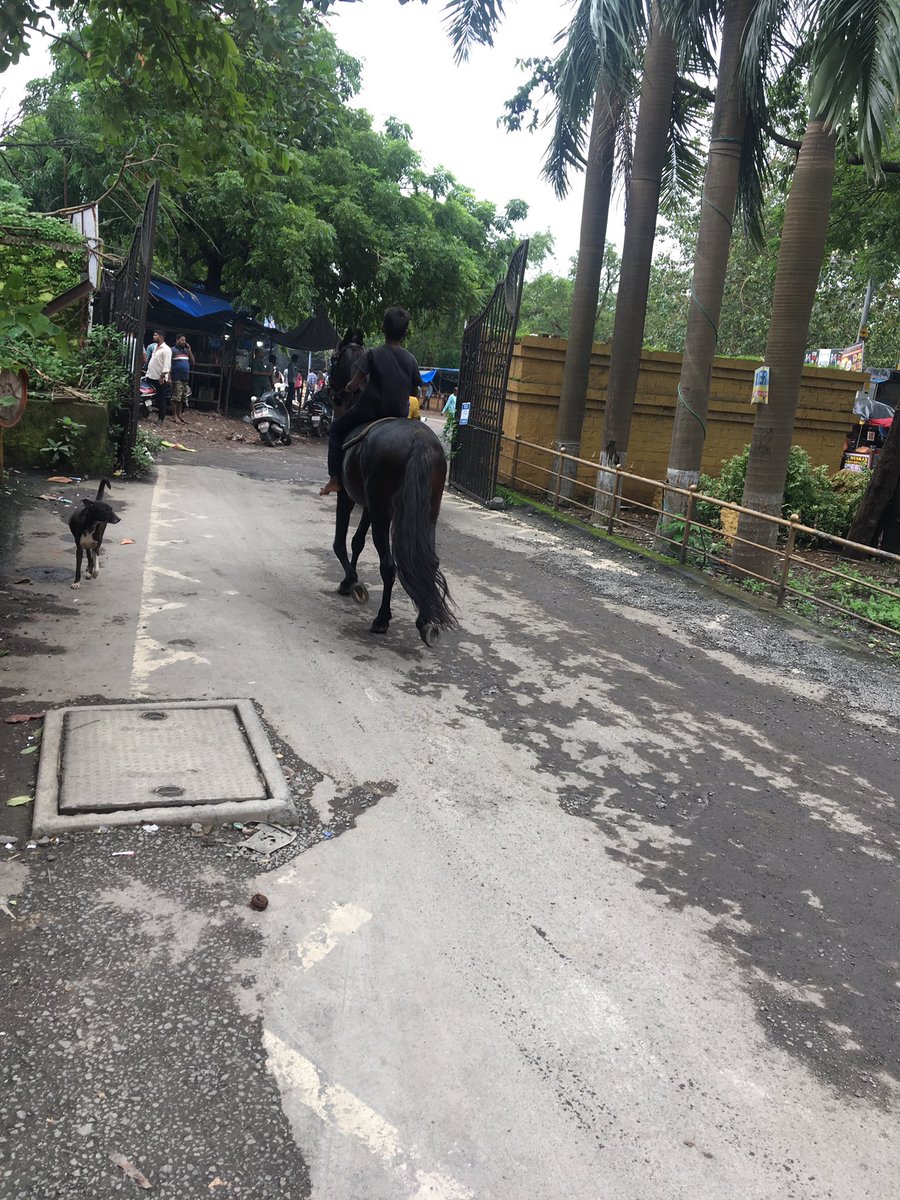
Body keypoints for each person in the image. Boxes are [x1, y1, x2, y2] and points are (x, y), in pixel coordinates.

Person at [320, 305, 423, 496]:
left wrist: (348, 388)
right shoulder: (411, 360)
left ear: (383, 329)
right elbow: (415, 393)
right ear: (405, 332)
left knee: (336, 430)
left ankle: (334, 479)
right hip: (399, 414)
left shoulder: (372, 354)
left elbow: (355, 383)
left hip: (369, 411)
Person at [145, 330, 172, 423]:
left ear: (161, 337)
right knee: (148, 395)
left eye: (155, 335)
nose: (153, 336)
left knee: (161, 398)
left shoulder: (166, 349)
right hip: (151, 375)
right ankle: (146, 413)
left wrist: (162, 376)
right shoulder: (155, 347)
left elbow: (167, 365)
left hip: (159, 378)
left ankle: (161, 418)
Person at [171, 335, 194, 425]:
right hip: (177, 377)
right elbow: (169, 363)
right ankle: (174, 416)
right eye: (182, 340)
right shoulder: (173, 350)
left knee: (182, 398)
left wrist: (190, 350)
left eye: (185, 340)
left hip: (185, 378)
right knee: (176, 397)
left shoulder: (186, 351)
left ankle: (179, 415)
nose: (184, 342)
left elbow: (193, 361)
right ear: (177, 340)